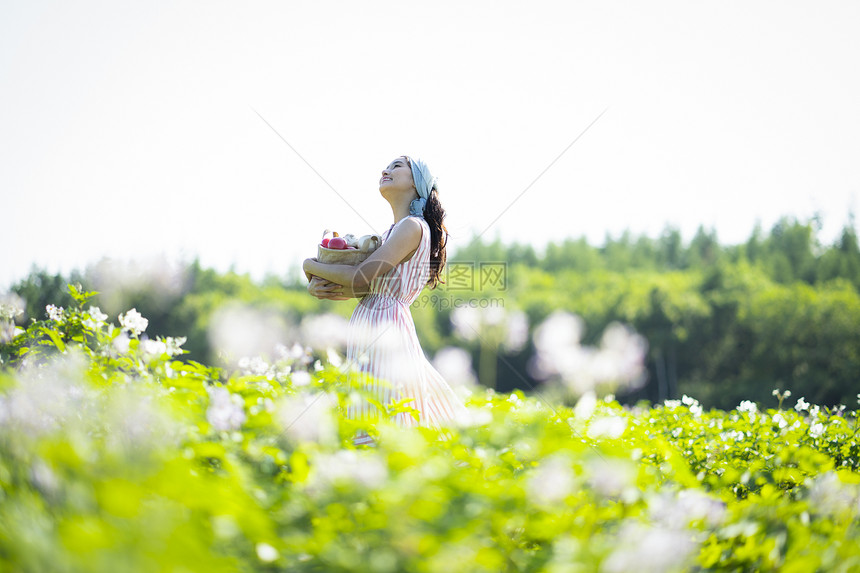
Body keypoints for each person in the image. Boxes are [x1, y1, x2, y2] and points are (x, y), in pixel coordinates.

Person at [303, 156, 467, 445]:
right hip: (376, 322)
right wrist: (320, 287)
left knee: (379, 414)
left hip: (384, 329)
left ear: (417, 183)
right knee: (381, 409)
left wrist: (310, 265)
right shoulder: (394, 231)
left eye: (397, 166)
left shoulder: (412, 227)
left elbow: (361, 276)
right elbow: (365, 289)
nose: (386, 170)